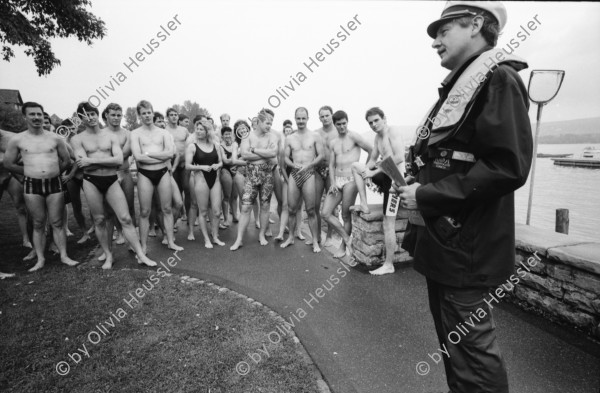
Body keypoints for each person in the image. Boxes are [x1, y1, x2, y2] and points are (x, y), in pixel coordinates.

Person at [398, 2, 533, 392]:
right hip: (447, 245)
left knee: (472, 357)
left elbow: (507, 166)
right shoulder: (462, 84)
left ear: (475, 24)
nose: (435, 42)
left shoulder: (498, 80)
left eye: (443, 30)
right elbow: (449, 159)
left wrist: (425, 195)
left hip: (467, 249)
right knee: (455, 353)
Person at [70, 102, 157, 269]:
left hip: (111, 179)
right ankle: (108, 255)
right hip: (91, 181)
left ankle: (140, 254)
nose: (90, 118)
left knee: (125, 217)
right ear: (81, 119)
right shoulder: (77, 139)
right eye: (85, 115)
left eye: (92, 114)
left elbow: (118, 160)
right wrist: (98, 162)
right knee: (100, 219)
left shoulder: (110, 136)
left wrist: (91, 160)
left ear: (97, 115)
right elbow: (82, 165)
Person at [3, 102, 79, 272]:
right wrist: (28, 171)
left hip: (54, 184)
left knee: (57, 222)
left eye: (39, 114)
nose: (36, 117)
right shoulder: (18, 139)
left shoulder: (55, 138)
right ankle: (40, 259)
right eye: (32, 114)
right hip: (31, 185)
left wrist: (53, 172)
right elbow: (8, 163)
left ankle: (64, 256)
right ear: (25, 116)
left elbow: (67, 160)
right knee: (38, 223)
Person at [351, 107, 405, 275]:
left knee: (388, 223)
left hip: (396, 179)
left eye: (376, 120)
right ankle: (365, 204)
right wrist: (367, 172)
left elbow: (399, 157)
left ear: (384, 119)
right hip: (384, 175)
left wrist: (373, 172)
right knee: (356, 166)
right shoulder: (377, 138)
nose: (374, 125)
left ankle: (389, 265)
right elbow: (372, 160)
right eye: (370, 122)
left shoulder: (392, 132)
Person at [130, 100, 183, 253]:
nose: (147, 115)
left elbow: (170, 154)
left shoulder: (164, 133)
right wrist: (160, 156)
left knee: (166, 208)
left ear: (153, 113)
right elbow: (138, 157)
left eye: (149, 112)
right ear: (139, 116)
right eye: (143, 113)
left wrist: (149, 153)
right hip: (145, 174)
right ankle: (144, 246)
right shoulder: (135, 133)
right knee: (145, 211)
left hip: (162, 172)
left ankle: (171, 241)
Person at [322, 110, 372, 258]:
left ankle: (343, 247)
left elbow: (371, 150)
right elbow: (331, 165)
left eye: (344, 123)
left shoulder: (354, 136)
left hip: (351, 179)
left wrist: (365, 170)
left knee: (345, 215)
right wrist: (332, 182)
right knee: (325, 213)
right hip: (337, 180)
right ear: (335, 124)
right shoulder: (333, 142)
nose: (342, 127)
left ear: (347, 122)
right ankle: (347, 238)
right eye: (339, 124)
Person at [230, 109, 278, 251]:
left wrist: (255, 150)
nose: (269, 126)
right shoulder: (247, 137)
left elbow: (274, 153)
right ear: (259, 122)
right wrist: (265, 155)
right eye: (267, 123)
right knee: (245, 207)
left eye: (271, 123)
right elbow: (244, 154)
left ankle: (262, 235)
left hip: (267, 175)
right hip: (251, 175)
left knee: (265, 206)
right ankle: (239, 239)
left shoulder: (272, 136)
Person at [280, 107, 324, 253]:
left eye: (303, 118)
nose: (300, 121)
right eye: (298, 118)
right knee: (291, 209)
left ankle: (315, 242)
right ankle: (291, 237)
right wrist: (293, 164)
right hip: (294, 174)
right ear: (295, 118)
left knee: (310, 210)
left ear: (307, 118)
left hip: (309, 174)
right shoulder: (290, 138)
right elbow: (285, 157)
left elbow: (321, 155)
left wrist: (309, 165)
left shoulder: (315, 136)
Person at [185, 118, 224, 248]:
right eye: (197, 129)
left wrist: (216, 165)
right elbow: (187, 166)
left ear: (208, 131)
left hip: (215, 179)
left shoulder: (216, 145)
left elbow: (221, 162)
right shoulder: (192, 146)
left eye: (202, 129)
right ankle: (206, 239)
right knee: (203, 211)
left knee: (217, 211)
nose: (199, 131)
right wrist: (201, 167)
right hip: (201, 179)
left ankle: (215, 237)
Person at [101, 103, 135, 245]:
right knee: (109, 209)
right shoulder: (101, 134)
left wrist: (111, 158)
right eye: (113, 115)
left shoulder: (127, 133)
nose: (116, 118)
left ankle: (132, 239)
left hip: (125, 172)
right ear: (106, 116)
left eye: (118, 115)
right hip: (108, 175)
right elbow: (101, 154)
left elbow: (125, 153)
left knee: (129, 206)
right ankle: (119, 232)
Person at [0, 129, 31, 249]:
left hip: (11, 175)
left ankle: (26, 239)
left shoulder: (11, 137)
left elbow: (23, 156)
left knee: (22, 207)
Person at [315, 105, 337, 246]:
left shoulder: (339, 132)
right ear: (319, 118)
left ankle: (329, 236)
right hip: (318, 170)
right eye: (322, 116)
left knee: (332, 207)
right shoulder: (316, 133)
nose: (325, 118)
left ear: (332, 115)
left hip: (332, 171)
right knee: (314, 205)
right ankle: (316, 235)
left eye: (327, 115)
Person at [220, 126, 245, 227]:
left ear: (232, 135)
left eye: (229, 134)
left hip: (235, 170)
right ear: (222, 136)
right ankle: (226, 219)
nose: (228, 136)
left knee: (235, 196)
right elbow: (225, 161)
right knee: (227, 196)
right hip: (225, 170)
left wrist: (236, 160)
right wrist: (237, 160)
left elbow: (236, 158)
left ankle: (235, 216)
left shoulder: (235, 144)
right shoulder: (220, 146)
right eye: (226, 134)